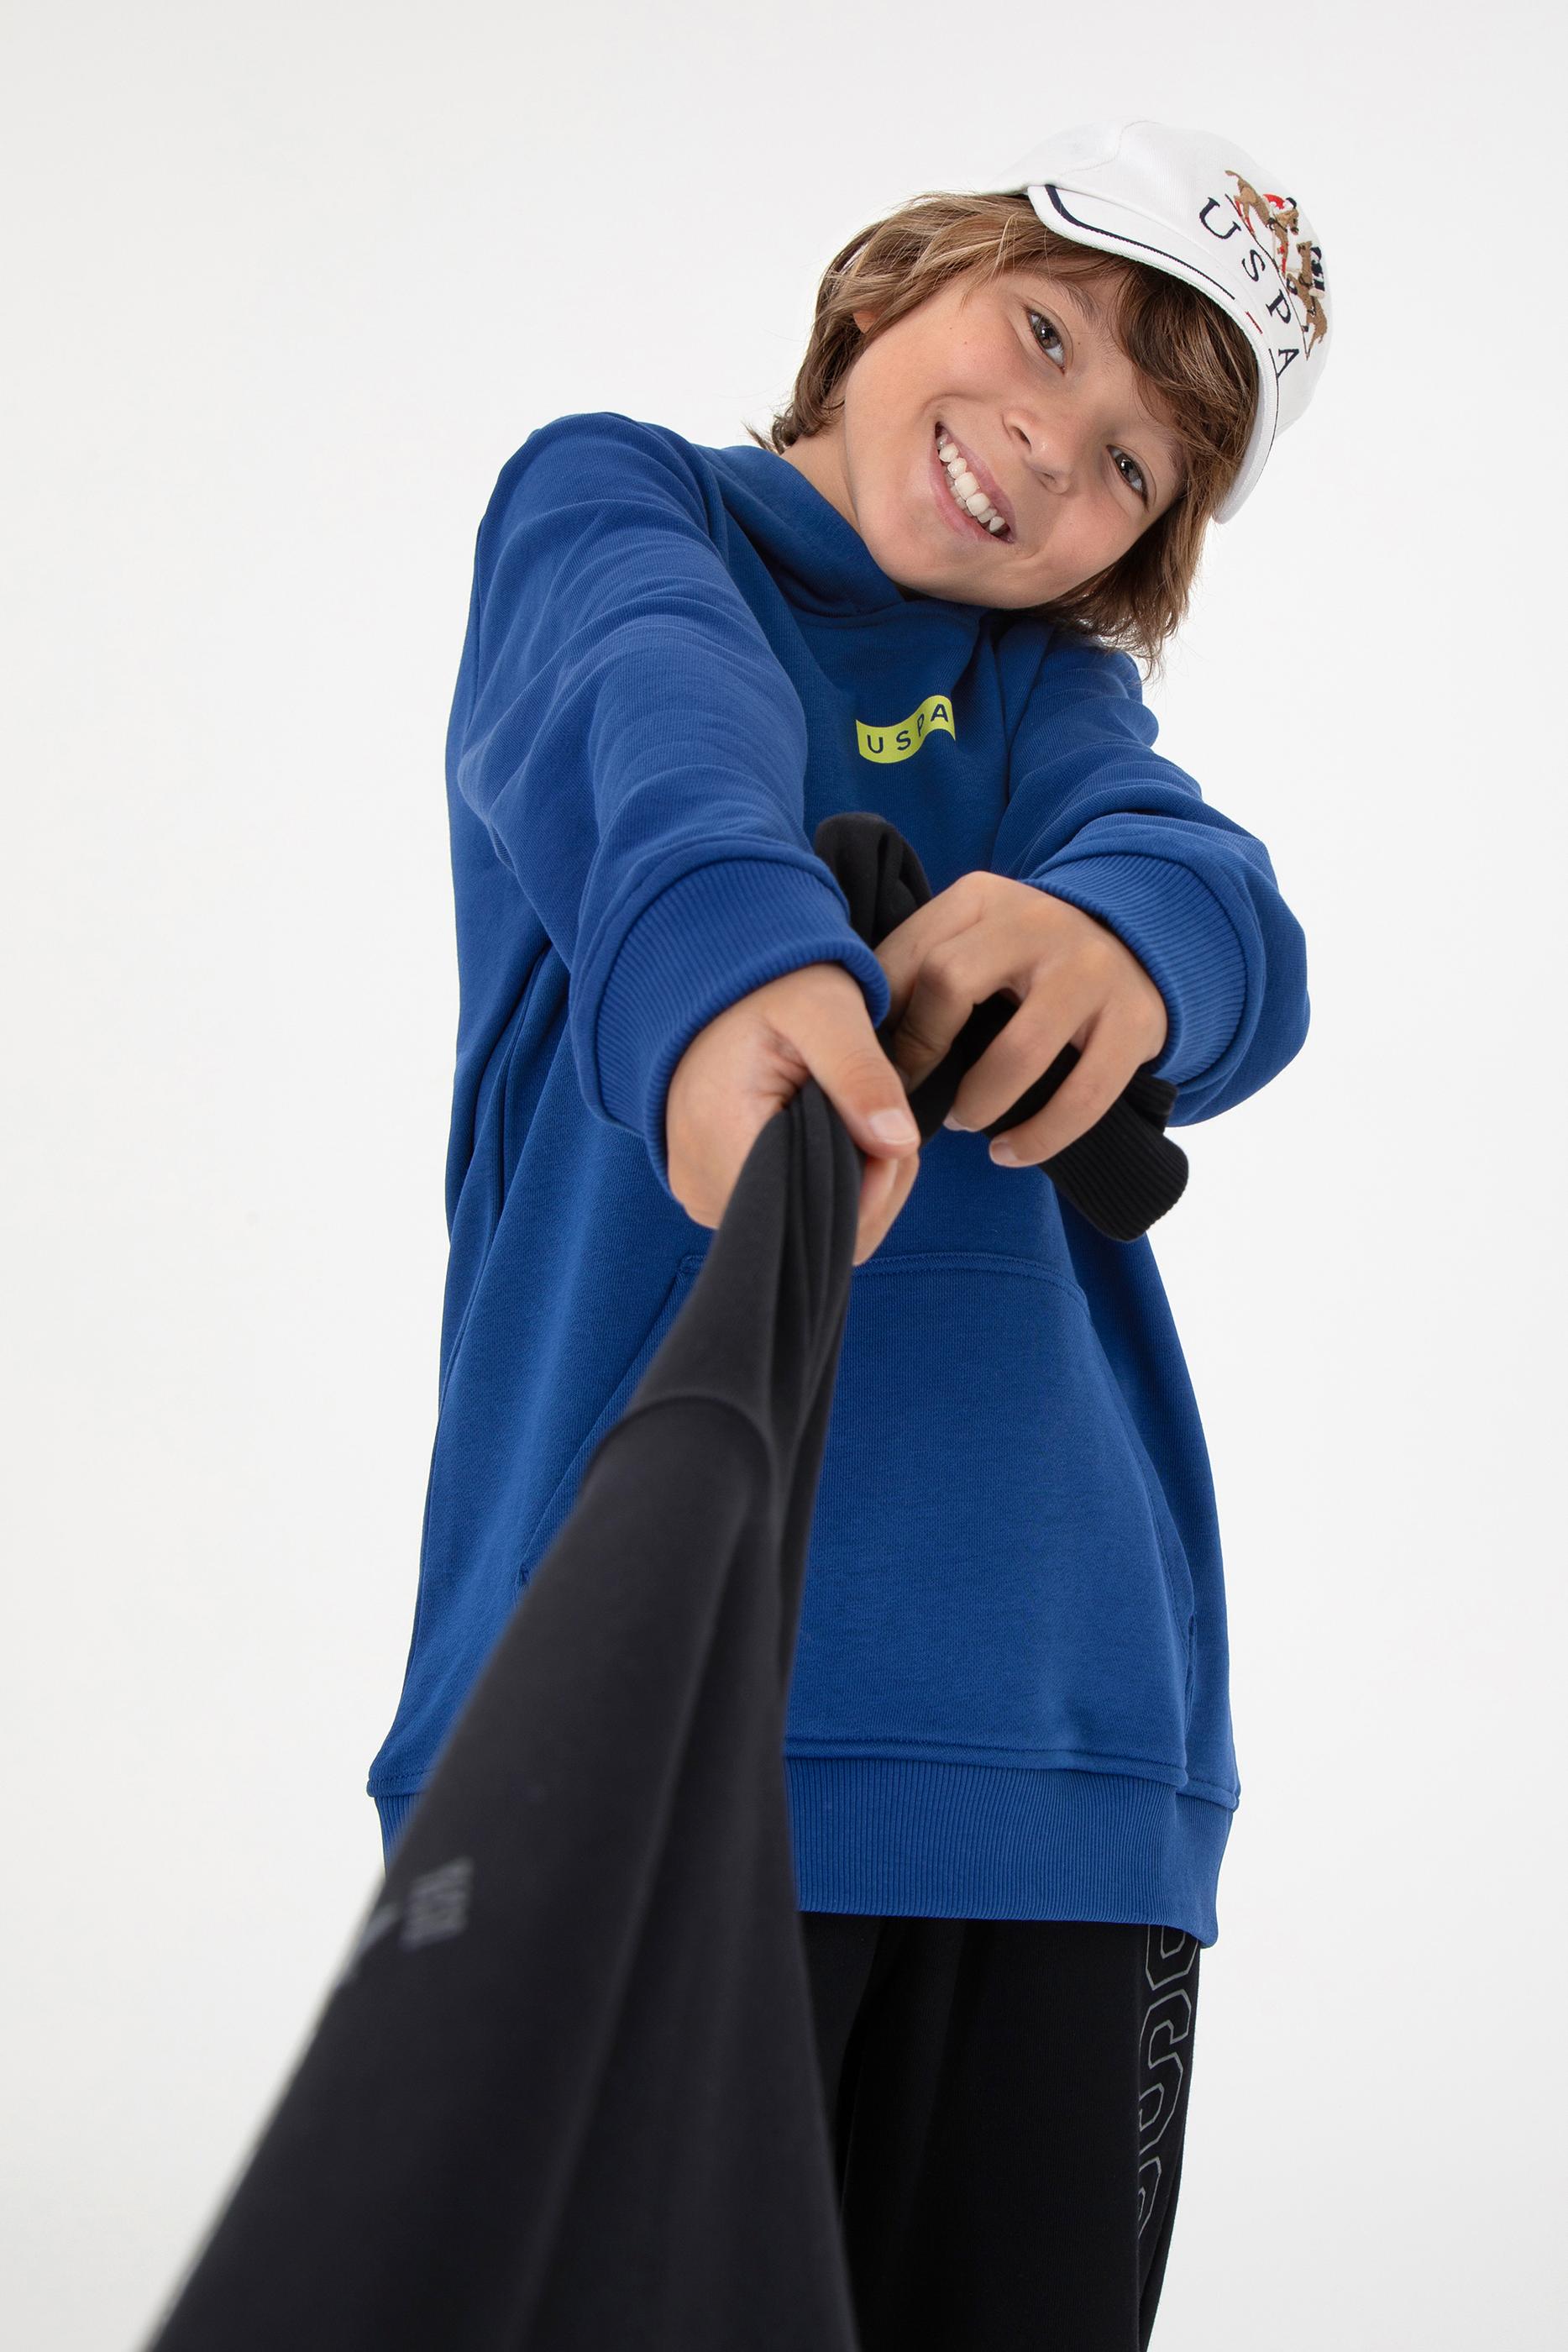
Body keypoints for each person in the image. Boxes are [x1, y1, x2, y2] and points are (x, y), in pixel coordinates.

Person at [364, 117, 1331, 2348]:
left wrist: (1129, 942)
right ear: (896, 278)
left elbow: (1217, 899)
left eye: (1134, 463)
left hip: (1064, 1758)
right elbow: (647, 715)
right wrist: (735, 960)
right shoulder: (623, 507)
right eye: (1045, 331)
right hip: (625, 1727)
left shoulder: (1052, 701)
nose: (1052, 441)